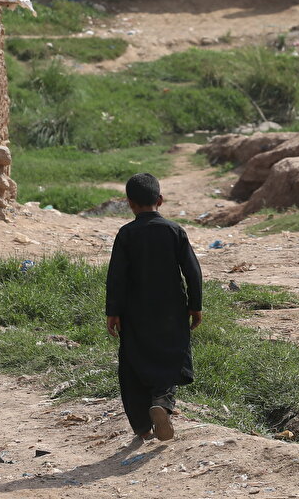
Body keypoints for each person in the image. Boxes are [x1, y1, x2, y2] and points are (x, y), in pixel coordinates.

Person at [106, 173, 203, 443]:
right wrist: (196, 305)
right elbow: (192, 271)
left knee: (133, 362)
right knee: (171, 358)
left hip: (134, 311)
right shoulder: (174, 231)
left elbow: (116, 276)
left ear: (130, 203)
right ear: (159, 200)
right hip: (172, 308)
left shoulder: (126, 233)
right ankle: (161, 401)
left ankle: (142, 427)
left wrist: (112, 311)